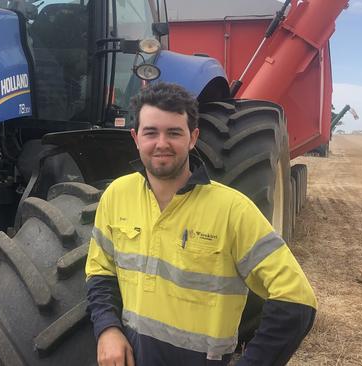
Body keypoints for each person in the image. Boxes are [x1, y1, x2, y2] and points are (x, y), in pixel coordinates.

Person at [85, 82, 317, 366]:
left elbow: (297, 300)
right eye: (150, 132)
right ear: (135, 137)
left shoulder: (232, 209)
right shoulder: (116, 196)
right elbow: (100, 270)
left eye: (174, 132)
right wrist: (108, 329)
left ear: (193, 137)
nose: (161, 143)